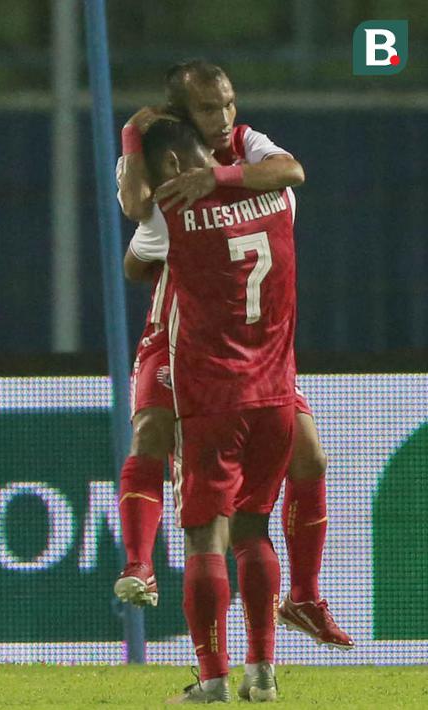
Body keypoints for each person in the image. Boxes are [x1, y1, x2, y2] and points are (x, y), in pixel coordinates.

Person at [112, 60, 350, 652]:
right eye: (209, 110)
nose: (225, 120)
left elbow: (291, 170)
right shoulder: (165, 169)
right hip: (183, 331)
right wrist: (133, 146)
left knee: (310, 461)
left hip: (255, 347)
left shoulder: (246, 147)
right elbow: (136, 216)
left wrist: (218, 181)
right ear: (178, 119)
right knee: (153, 434)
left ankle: (303, 598)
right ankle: (140, 567)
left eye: (228, 104)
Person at [129, 118, 298, 702]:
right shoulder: (279, 195)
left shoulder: (170, 217)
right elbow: (289, 168)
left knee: (206, 540)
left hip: (211, 399)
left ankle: (214, 678)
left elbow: (135, 250)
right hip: (277, 394)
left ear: (173, 168)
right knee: (256, 531)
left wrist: (134, 148)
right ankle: (264, 671)